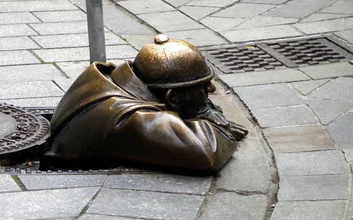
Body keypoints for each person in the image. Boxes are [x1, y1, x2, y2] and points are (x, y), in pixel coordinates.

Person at [43, 34, 248, 174]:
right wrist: (212, 119)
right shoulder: (132, 119)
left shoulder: (118, 80)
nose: (211, 90)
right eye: (203, 87)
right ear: (170, 97)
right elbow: (206, 152)